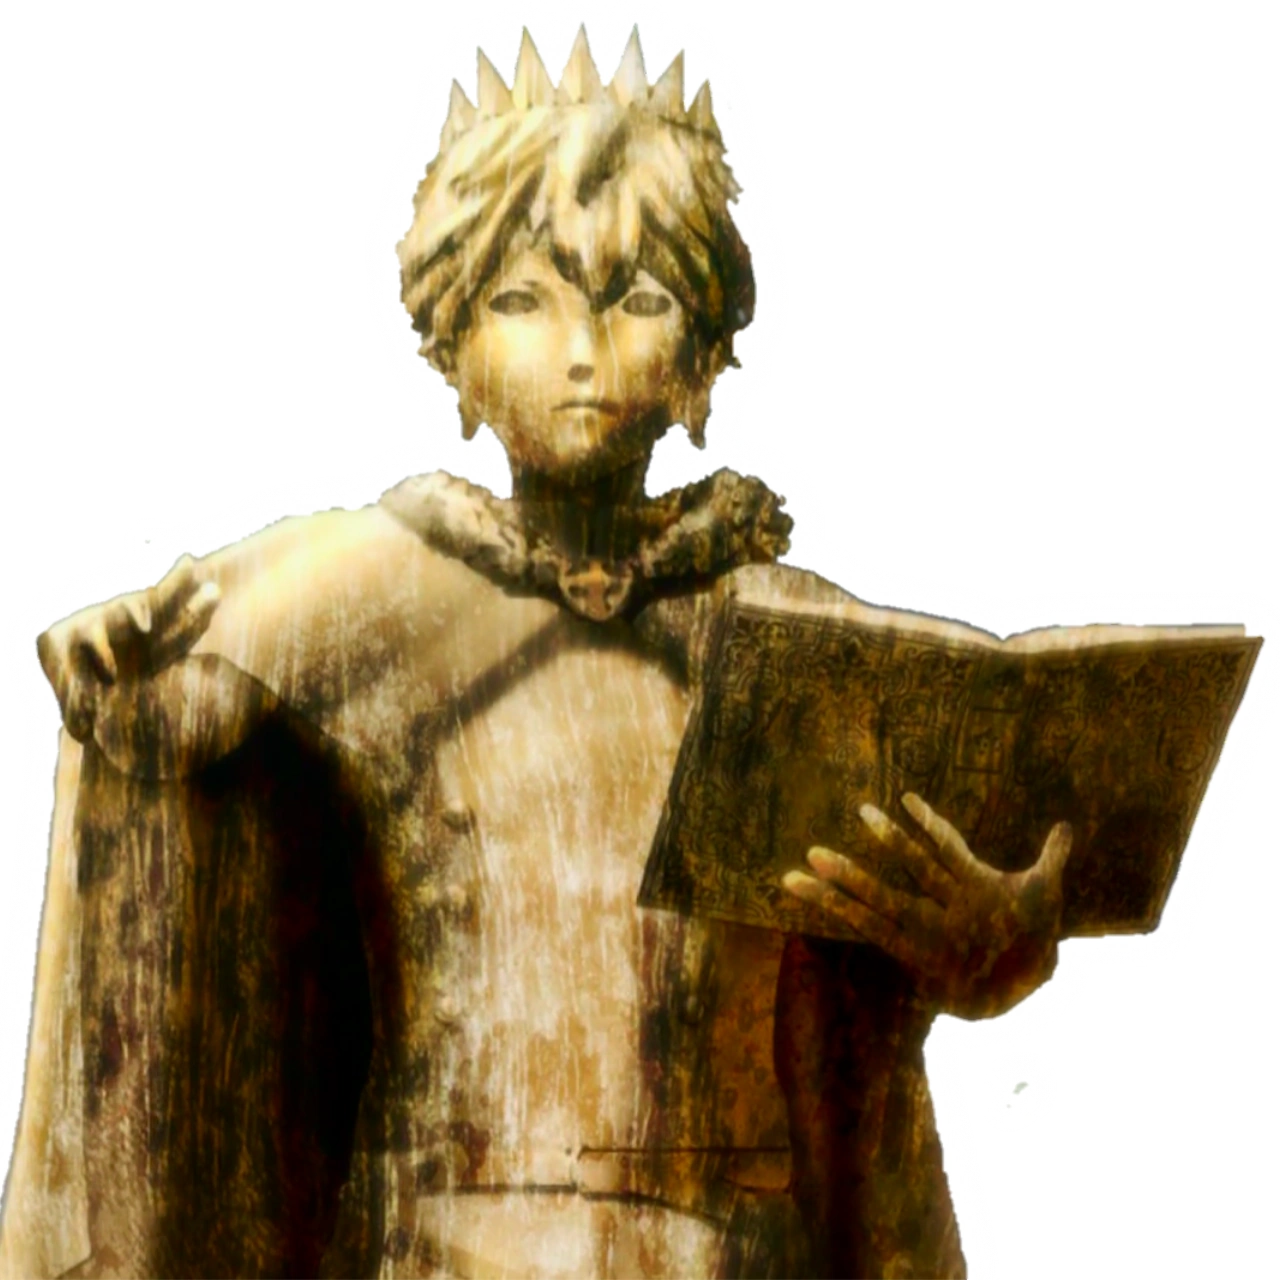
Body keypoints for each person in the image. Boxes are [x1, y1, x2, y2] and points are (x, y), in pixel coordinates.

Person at [3, 28, 1069, 1279]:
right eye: (523, 298)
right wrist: (122, 691)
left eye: (637, 299)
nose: (581, 351)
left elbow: (899, 969)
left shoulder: (800, 639)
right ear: (448, 338)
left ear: (704, 349)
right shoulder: (354, 601)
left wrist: (1001, 946)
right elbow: (172, 748)